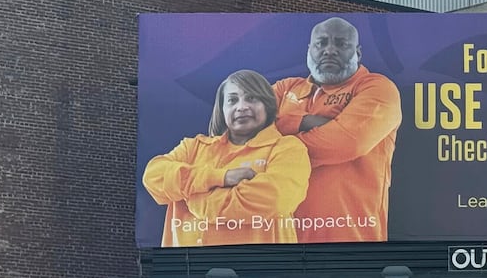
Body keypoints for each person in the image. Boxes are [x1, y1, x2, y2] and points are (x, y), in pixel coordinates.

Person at [143, 70, 311, 246]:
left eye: (252, 98)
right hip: (188, 271)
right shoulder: (193, 147)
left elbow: (274, 200)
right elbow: (153, 177)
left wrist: (196, 198)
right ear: (222, 109)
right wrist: (222, 177)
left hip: (261, 269)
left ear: (268, 105)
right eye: (232, 100)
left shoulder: (288, 148)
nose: (242, 107)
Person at [273, 16, 402, 242]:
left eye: (341, 44)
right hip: (279, 242)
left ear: (358, 53)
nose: (329, 50)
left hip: (350, 245)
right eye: (321, 43)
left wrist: (281, 130)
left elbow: (348, 142)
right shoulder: (285, 88)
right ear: (309, 50)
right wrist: (310, 122)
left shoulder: (377, 87)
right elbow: (242, 134)